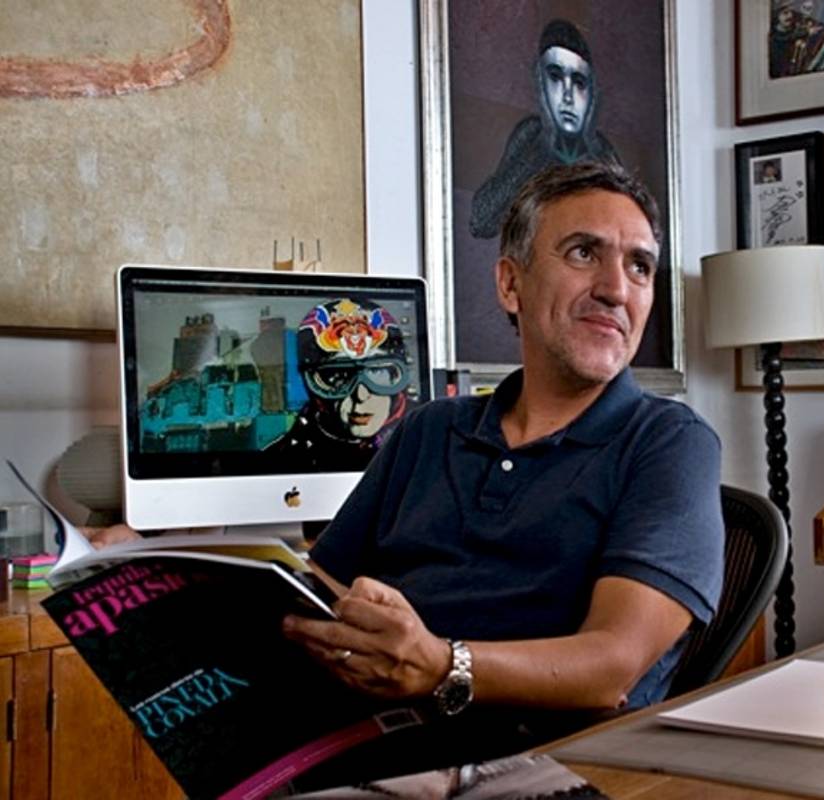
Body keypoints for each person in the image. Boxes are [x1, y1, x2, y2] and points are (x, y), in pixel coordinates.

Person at [86, 162, 725, 786]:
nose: (617, 288)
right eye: (584, 253)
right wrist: (170, 562)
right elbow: (323, 592)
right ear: (511, 284)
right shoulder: (429, 429)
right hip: (366, 736)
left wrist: (442, 665)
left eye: (639, 266)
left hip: (536, 761)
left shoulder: (669, 442)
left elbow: (613, 665)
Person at [468, 19, 621, 240]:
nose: (567, 96)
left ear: (592, 93)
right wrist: (536, 152)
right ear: (541, 82)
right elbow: (481, 222)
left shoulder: (603, 154)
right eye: (556, 77)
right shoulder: (530, 136)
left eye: (578, 82)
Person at [266, 297, 411, 470]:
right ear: (314, 386)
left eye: (378, 372)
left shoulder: (422, 437)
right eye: (339, 376)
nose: (361, 395)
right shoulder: (281, 462)